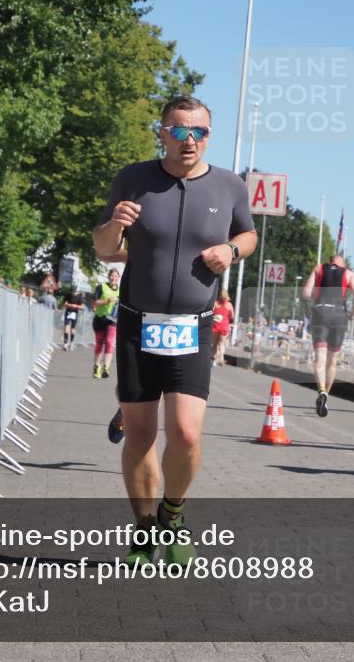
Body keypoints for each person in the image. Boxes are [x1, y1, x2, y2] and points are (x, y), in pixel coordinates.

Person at [92, 95, 257, 564]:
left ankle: (174, 513)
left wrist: (232, 251)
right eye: (179, 130)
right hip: (136, 323)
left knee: (185, 433)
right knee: (140, 435)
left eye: (198, 132)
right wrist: (116, 225)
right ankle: (145, 532)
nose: (189, 140)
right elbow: (103, 246)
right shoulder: (134, 179)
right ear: (162, 133)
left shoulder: (229, 186)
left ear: (209, 136)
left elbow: (248, 234)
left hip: (193, 327)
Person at [302, 254, 354, 417]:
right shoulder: (349, 274)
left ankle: (321, 390)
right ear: (342, 263)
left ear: (330, 262)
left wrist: (315, 297)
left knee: (319, 359)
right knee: (332, 362)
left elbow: (306, 292)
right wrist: (353, 313)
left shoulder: (319, 268)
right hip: (339, 315)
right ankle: (325, 396)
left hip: (320, 312)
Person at [92, 269, 121, 379]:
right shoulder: (101, 287)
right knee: (99, 344)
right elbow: (94, 302)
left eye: (116, 276)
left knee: (109, 342)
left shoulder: (121, 290)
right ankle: (96, 366)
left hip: (112, 321)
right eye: (112, 276)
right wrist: (106, 301)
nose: (113, 278)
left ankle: (106, 368)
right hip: (100, 319)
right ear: (108, 277)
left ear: (118, 278)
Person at [211, 290, 235, 367]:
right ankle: (221, 358)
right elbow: (232, 316)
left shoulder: (215, 303)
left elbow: (212, 313)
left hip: (216, 324)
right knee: (221, 343)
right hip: (224, 325)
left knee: (214, 343)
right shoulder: (229, 305)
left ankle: (213, 360)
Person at [61, 287, 86, 351]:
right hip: (68, 312)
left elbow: (82, 307)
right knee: (66, 327)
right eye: (71, 292)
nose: (72, 294)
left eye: (74, 292)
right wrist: (66, 304)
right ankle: (65, 343)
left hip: (74, 313)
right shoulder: (68, 295)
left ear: (76, 291)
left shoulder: (79, 297)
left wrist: (75, 306)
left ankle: (71, 342)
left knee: (73, 328)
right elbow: (63, 303)